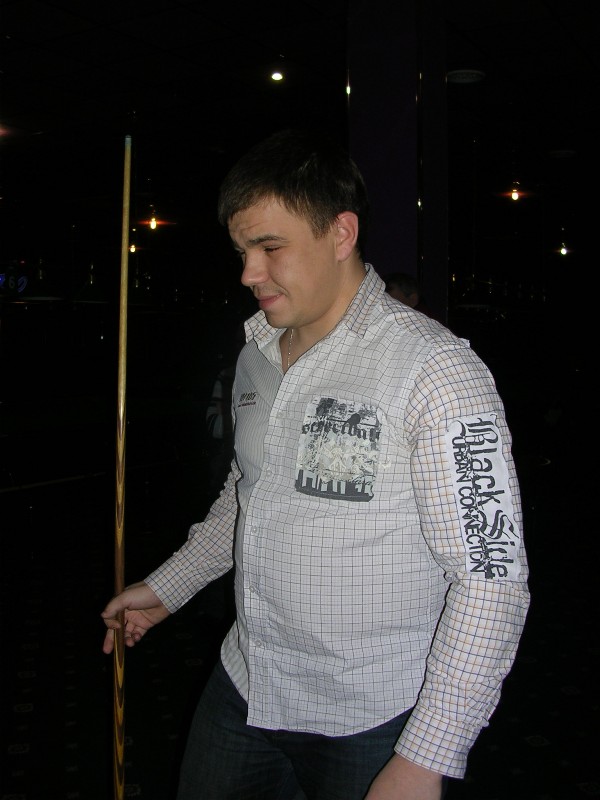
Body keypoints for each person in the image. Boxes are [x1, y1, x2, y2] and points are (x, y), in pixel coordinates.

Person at [101, 129, 529, 800]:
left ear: (340, 234)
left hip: (373, 714)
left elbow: (491, 578)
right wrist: (167, 588)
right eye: (242, 252)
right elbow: (249, 494)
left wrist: (428, 755)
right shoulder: (255, 354)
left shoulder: (436, 371)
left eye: (270, 247)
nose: (248, 273)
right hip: (248, 680)